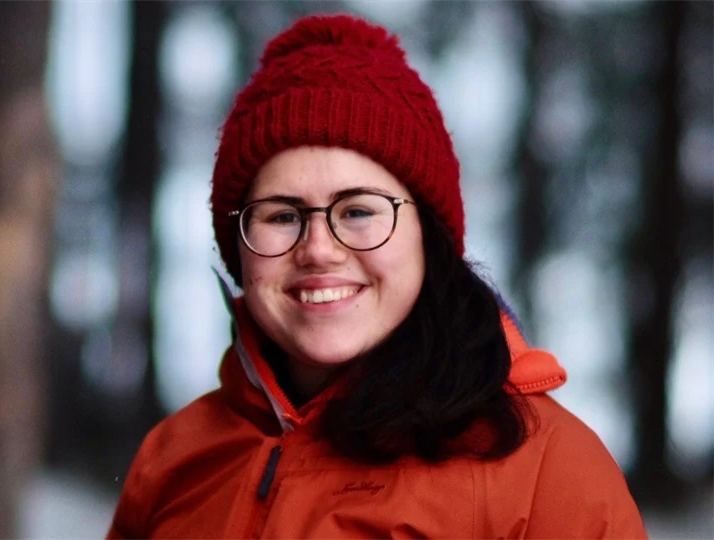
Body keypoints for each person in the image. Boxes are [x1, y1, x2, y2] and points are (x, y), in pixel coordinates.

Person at [108, 13, 647, 539]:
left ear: (427, 236)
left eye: (358, 211)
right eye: (283, 216)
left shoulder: (547, 474)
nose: (318, 249)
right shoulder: (172, 461)